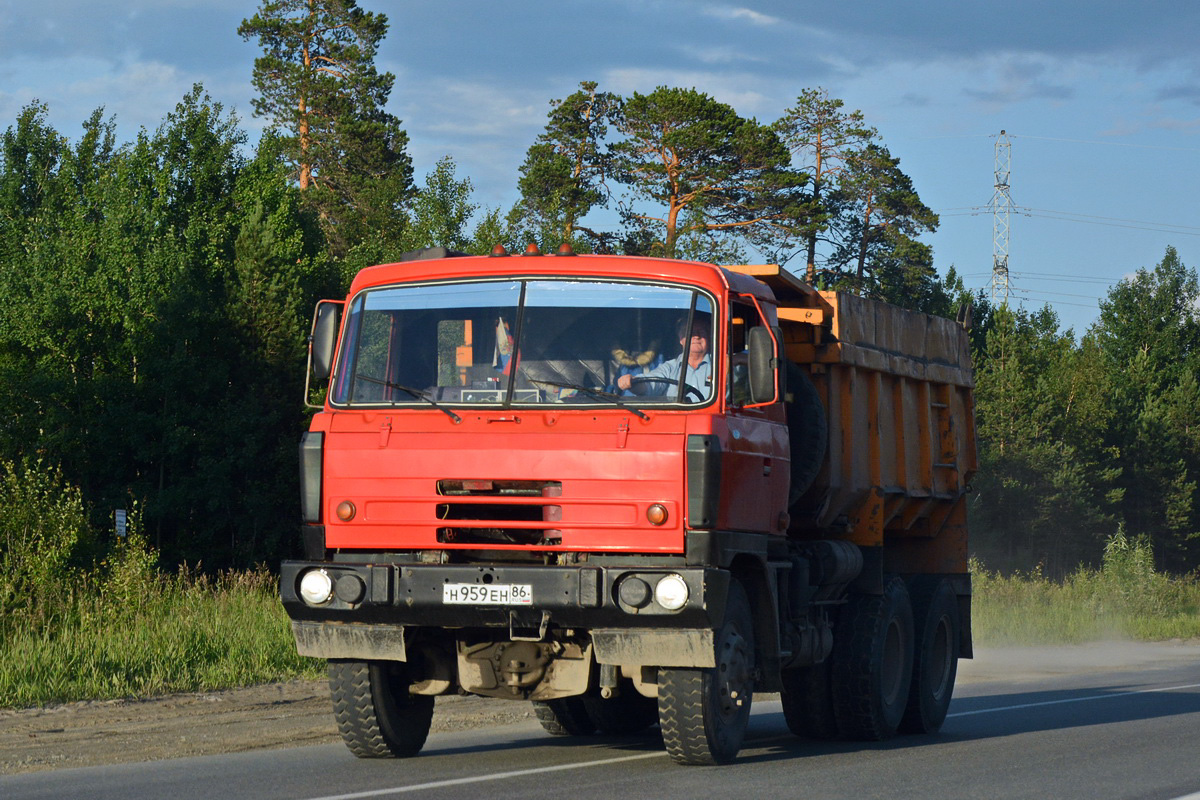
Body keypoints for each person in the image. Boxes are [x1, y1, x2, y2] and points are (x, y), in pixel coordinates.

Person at [616, 317, 712, 400]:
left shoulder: (721, 366)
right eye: (690, 332)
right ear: (681, 339)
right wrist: (633, 382)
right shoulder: (669, 368)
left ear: (709, 337)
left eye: (702, 331)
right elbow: (651, 384)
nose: (696, 336)